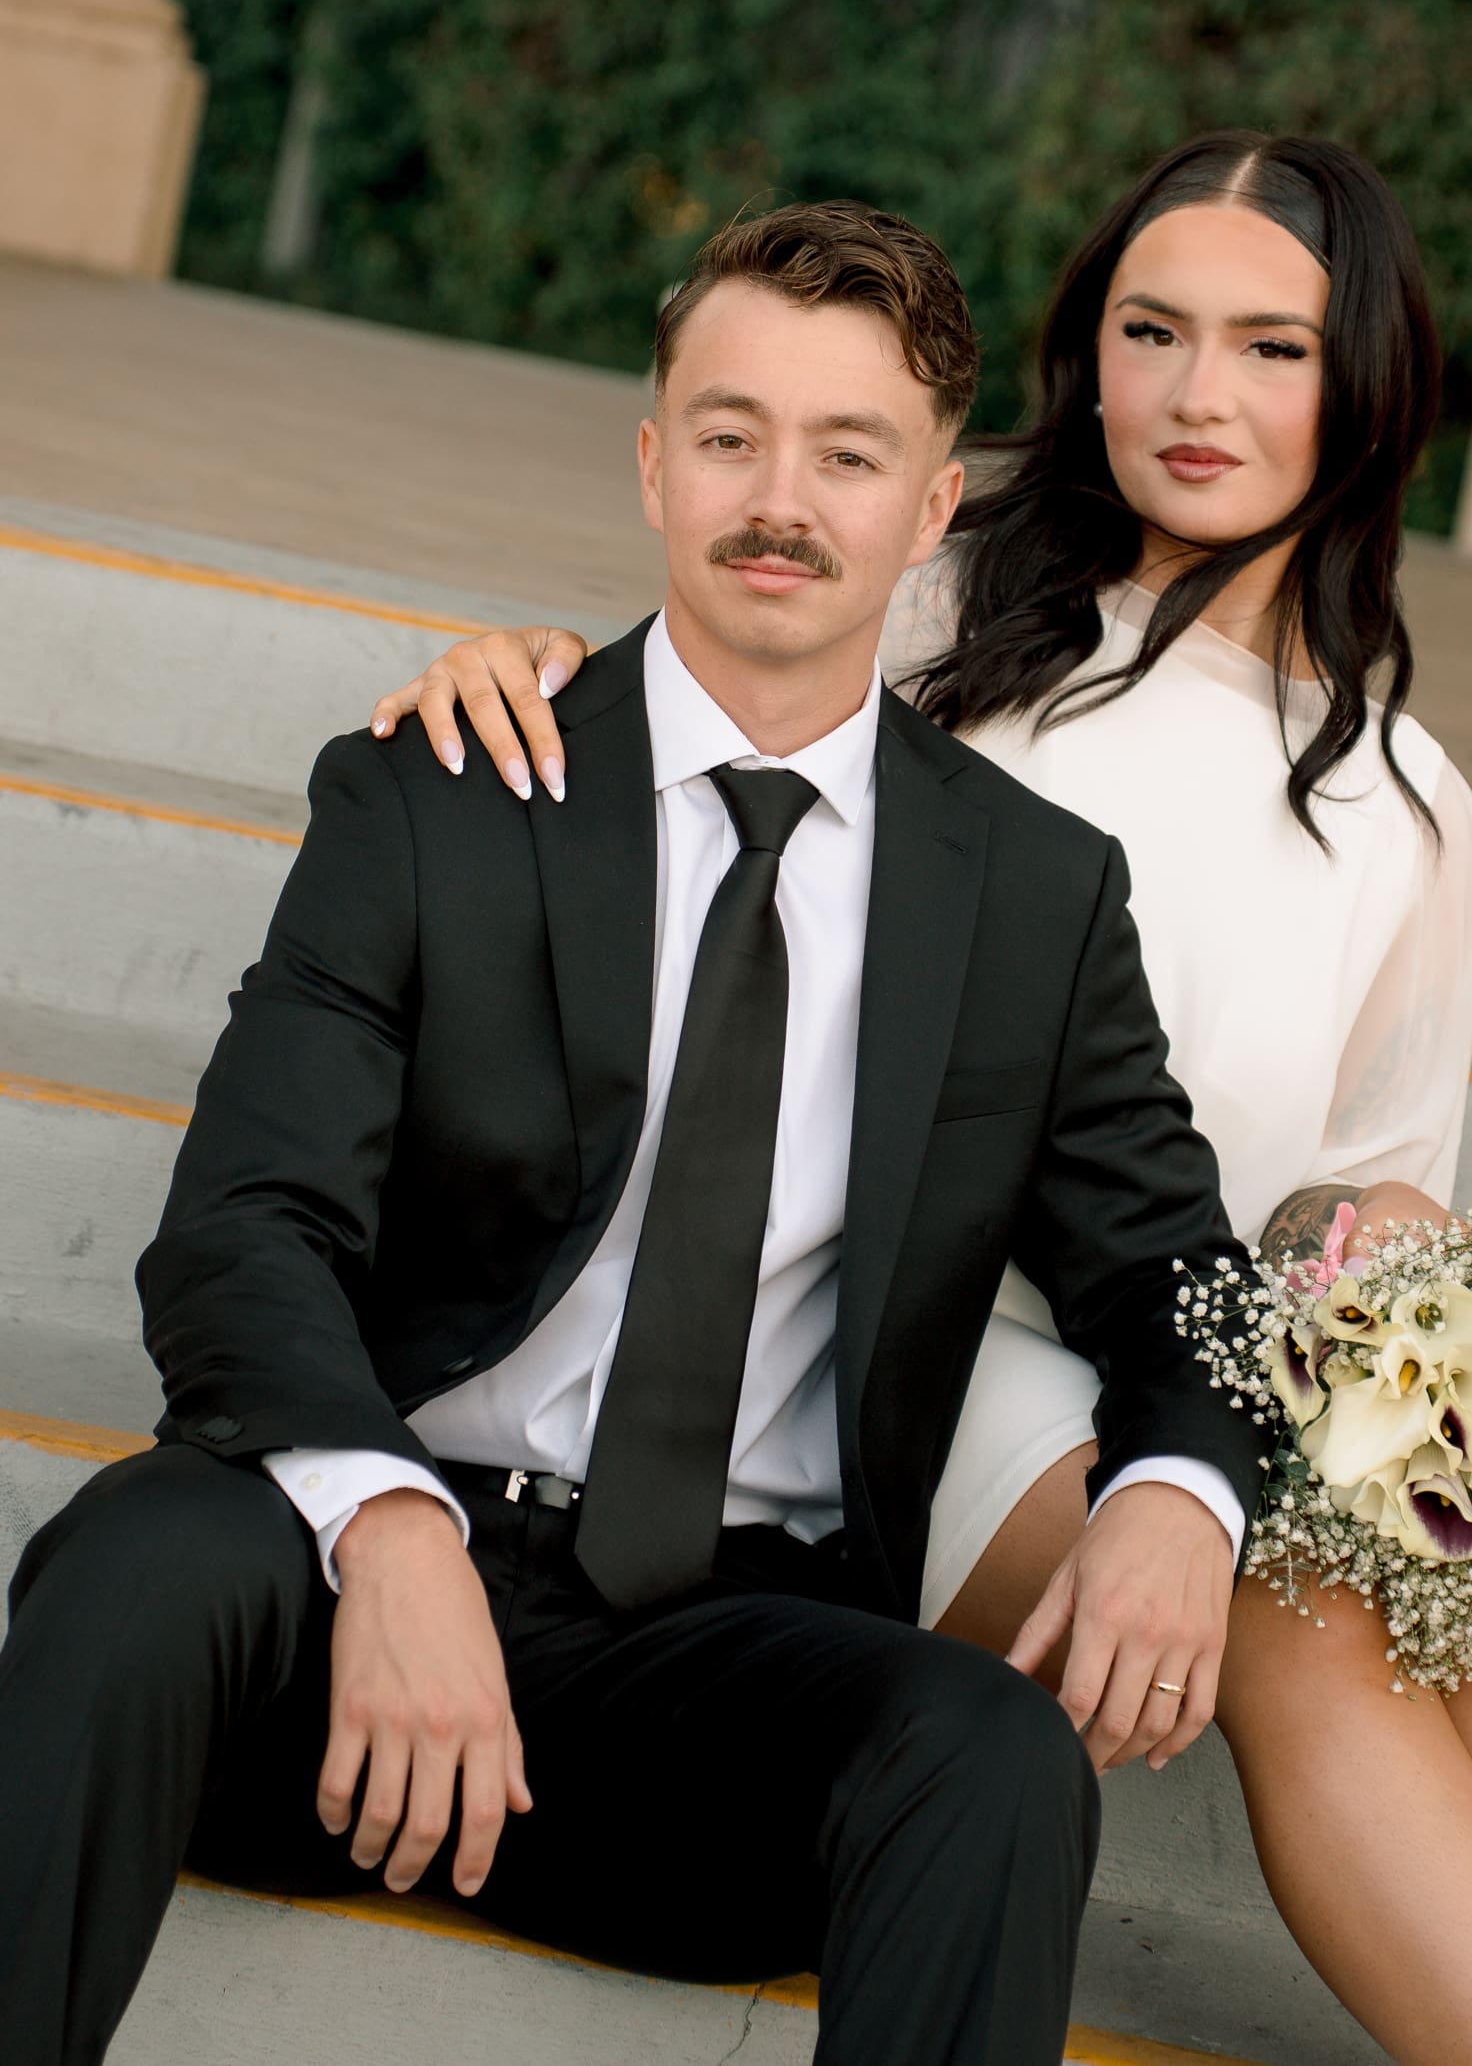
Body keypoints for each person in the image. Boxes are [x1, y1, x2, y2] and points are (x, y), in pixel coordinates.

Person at [378, 135, 1472, 2066]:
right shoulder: (947, 604)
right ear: (1089, 354)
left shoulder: (1406, 794)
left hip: (1185, 1337)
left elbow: (1357, 1183)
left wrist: (1395, 1255)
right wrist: (517, 661)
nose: (1199, 398)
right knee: (1296, 1587)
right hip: (932, 1341)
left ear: (1365, 379)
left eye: (1269, 348)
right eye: (1151, 332)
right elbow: (688, 706)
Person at [0, 200, 1268, 2066]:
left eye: (850, 453)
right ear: (654, 458)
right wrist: (396, 1532)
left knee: (991, 1755)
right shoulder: (444, 789)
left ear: (932, 508)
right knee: (132, 1561)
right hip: (341, 1603)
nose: (782, 497)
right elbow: (240, 1231)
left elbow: (1173, 1275)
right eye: (733, 433)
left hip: (711, 1690)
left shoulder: (1032, 898)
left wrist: (1180, 1494)